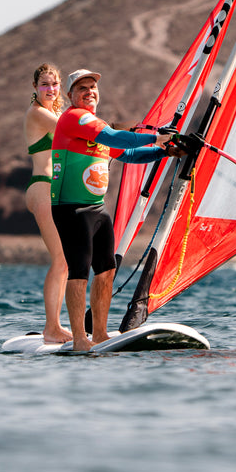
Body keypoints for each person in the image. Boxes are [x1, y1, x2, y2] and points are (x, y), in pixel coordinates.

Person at [51, 68, 178, 352]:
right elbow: (118, 138)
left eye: (93, 88)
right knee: (79, 272)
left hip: (96, 210)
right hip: (71, 209)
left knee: (106, 270)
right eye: (82, 88)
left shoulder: (96, 126)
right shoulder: (75, 118)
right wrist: (158, 137)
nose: (89, 92)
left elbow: (128, 154)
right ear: (71, 96)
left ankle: (98, 333)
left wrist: (164, 152)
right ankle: (79, 339)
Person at [24, 62, 72, 344]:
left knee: (65, 262)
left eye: (54, 84)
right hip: (41, 188)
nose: (50, 89)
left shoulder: (57, 112)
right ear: (35, 88)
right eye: (44, 84)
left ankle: (56, 324)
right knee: (60, 259)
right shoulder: (39, 113)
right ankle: (51, 327)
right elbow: (76, 129)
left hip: (55, 190)